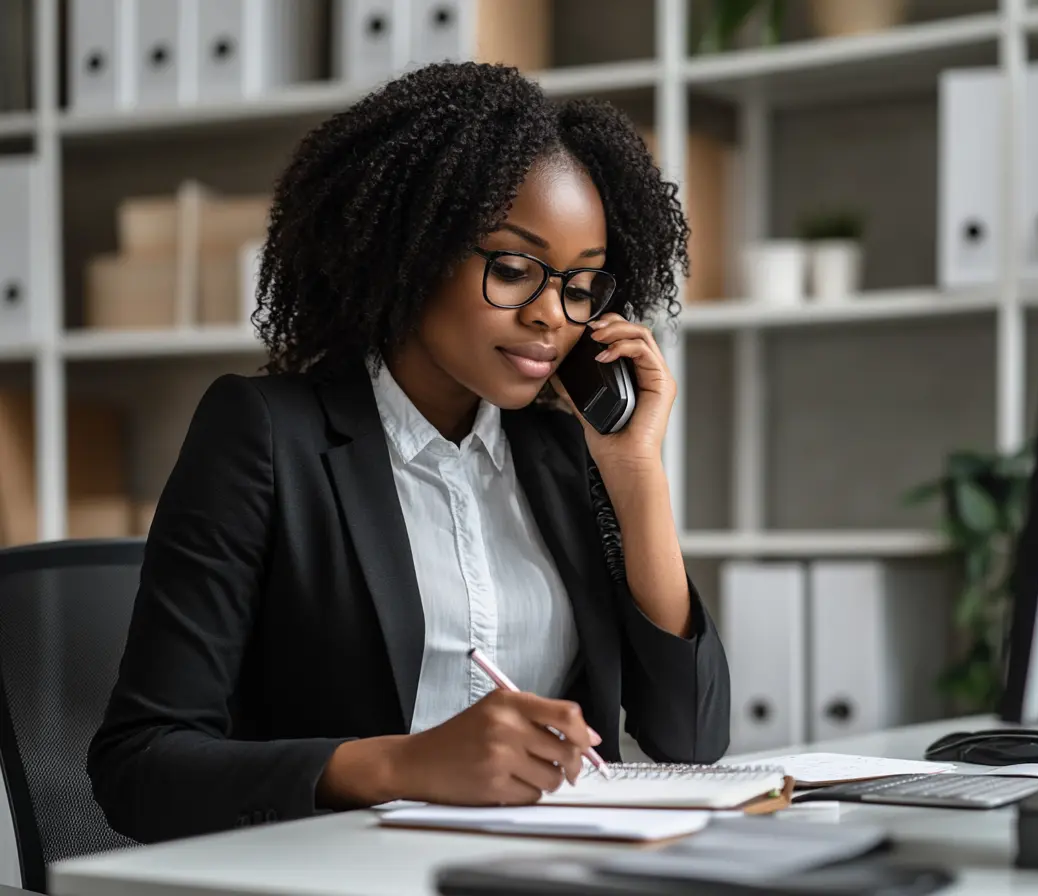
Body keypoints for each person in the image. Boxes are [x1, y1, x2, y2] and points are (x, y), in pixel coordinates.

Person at [87, 61, 731, 845]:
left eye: (580, 287)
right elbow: (140, 767)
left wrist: (636, 476)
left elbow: (691, 741)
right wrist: (400, 765)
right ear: (412, 249)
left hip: (542, 867)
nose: (550, 318)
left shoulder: (566, 453)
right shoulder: (265, 434)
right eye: (514, 269)